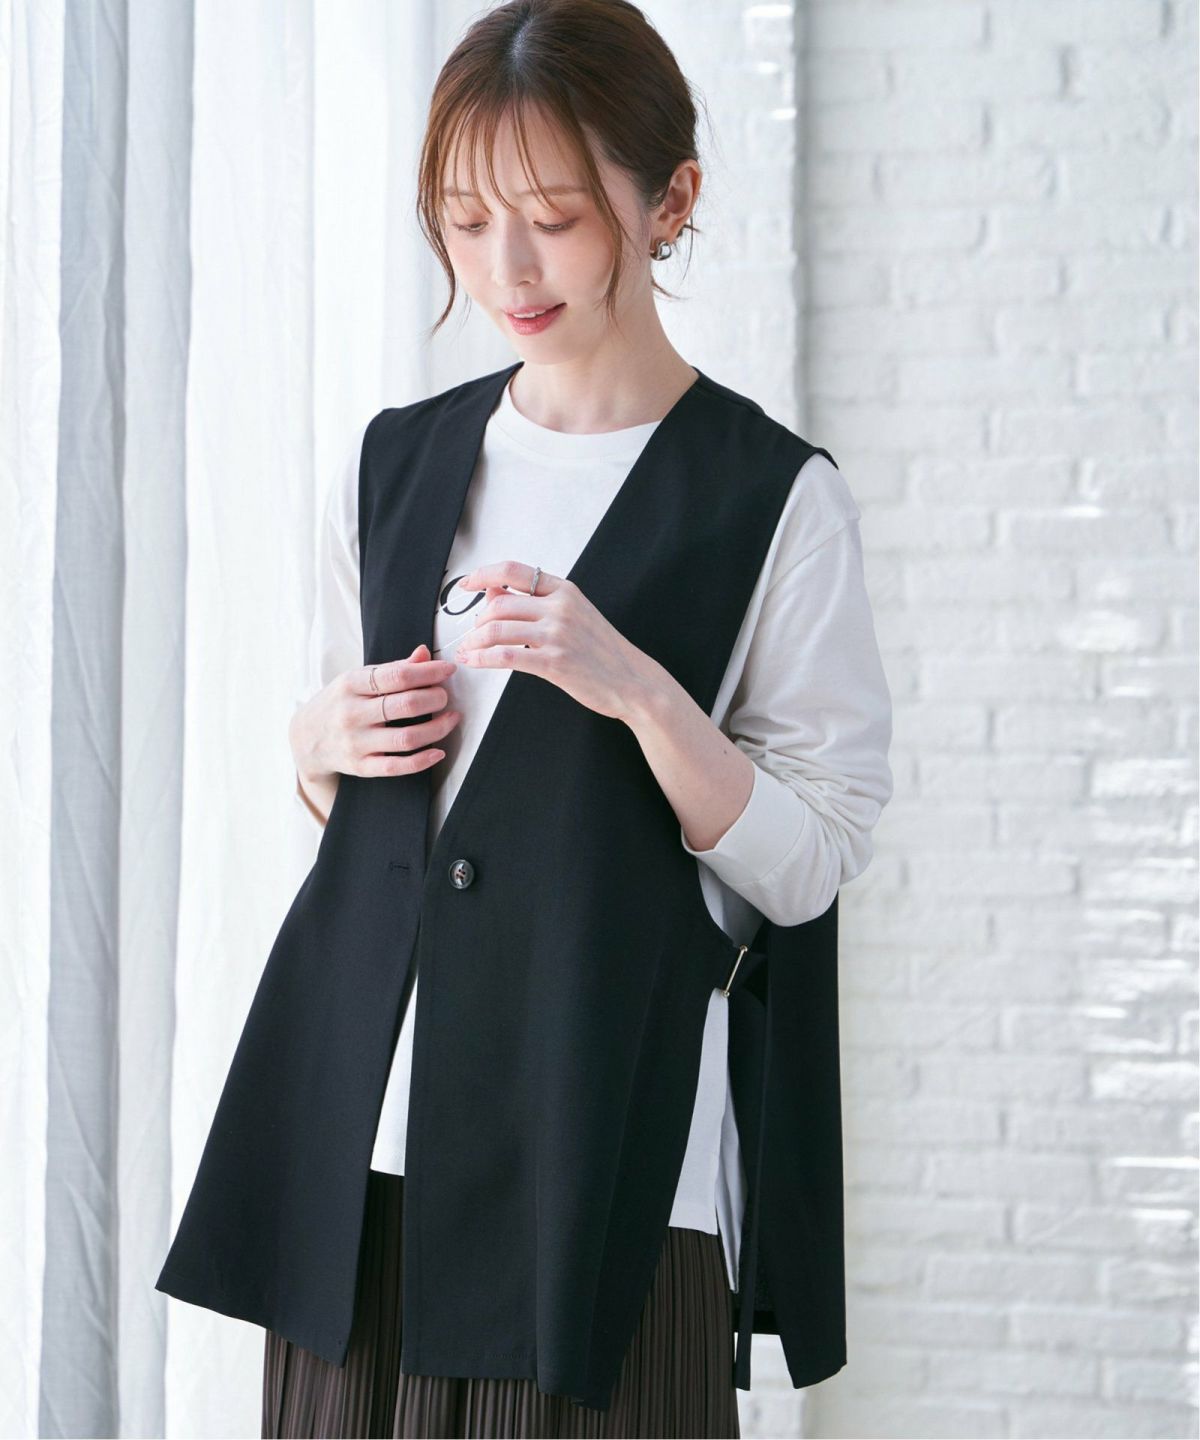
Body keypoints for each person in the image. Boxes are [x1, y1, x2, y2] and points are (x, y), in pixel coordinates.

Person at [159, 1, 890, 1435]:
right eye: (464, 219)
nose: (504, 268)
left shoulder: (775, 498)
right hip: (363, 1157)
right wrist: (317, 746)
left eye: (552, 218)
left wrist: (634, 686)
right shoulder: (392, 463)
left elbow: (812, 859)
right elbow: (379, 810)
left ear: (670, 199)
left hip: (598, 1165)